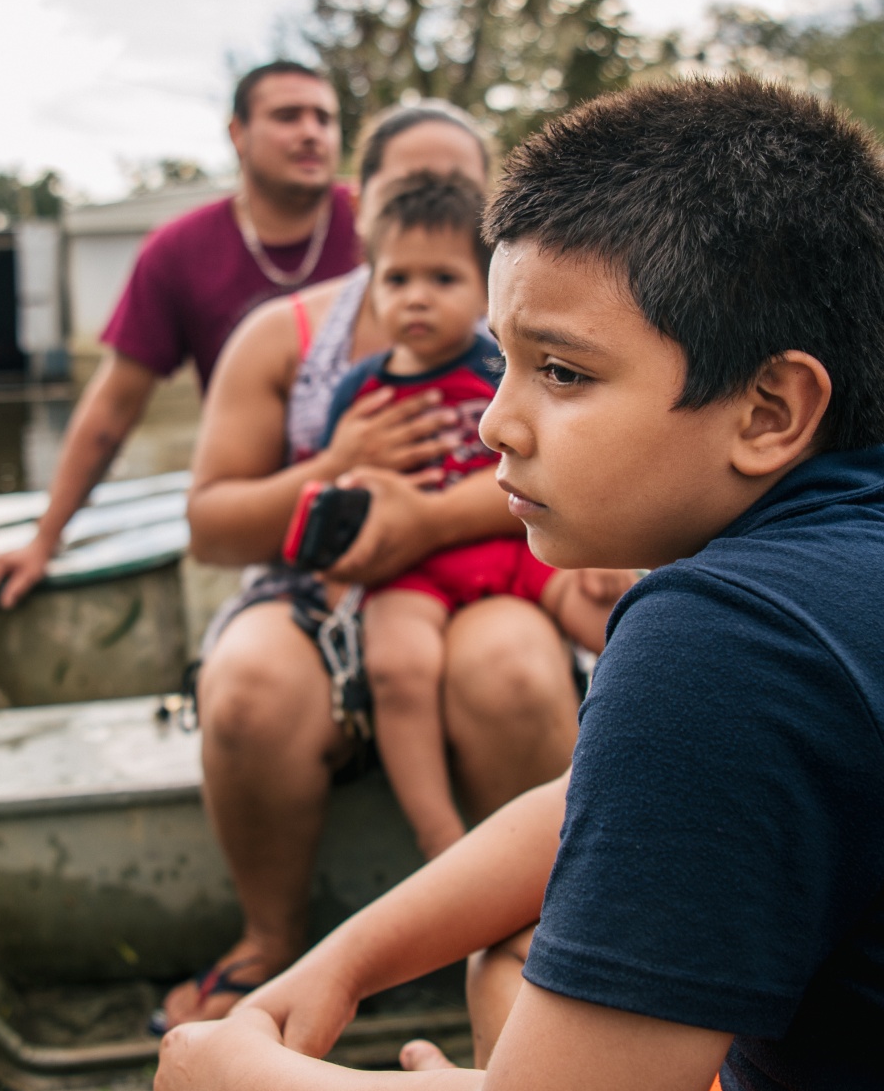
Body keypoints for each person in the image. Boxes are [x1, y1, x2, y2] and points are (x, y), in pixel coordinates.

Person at [154, 77, 884, 1091]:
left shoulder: (727, 637)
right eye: (503, 358)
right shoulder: (860, 561)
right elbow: (584, 805)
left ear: (766, 412)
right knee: (508, 960)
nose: (495, 419)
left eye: (560, 371)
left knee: (509, 1050)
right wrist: (343, 961)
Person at [160, 104, 580, 1030]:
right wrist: (332, 462)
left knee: (509, 668)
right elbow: (212, 525)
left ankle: (558, 929)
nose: (431, 205)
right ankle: (270, 937)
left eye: (459, 191)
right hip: (317, 583)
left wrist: (426, 520)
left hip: (485, 560)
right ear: (364, 206)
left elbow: (572, 466)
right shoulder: (287, 335)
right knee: (249, 688)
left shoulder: (528, 318)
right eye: (405, 187)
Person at [0, 60, 360, 610]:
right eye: (288, 116)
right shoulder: (178, 253)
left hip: (388, 480)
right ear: (237, 133)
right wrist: (45, 540)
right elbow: (112, 407)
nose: (312, 132)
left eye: (325, 119)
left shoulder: (380, 225)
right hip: (264, 511)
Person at [319, 173, 633, 861]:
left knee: (622, 618)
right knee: (398, 666)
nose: (418, 296)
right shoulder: (359, 390)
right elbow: (344, 506)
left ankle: (659, 758)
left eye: (443, 277)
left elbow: (563, 462)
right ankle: (440, 837)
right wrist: (342, 580)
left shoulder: (506, 366)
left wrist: (603, 546)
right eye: (396, 279)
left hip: (513, 539)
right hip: (412, 571)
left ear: (486, 290)